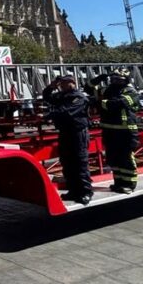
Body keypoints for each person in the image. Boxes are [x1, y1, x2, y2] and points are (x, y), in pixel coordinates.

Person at [87, 68, 141, 193]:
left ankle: (129, 185)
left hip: (126, 131)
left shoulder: (130, 91)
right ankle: (119, 183)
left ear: (126, 80)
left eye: (119, 79)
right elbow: (88, 88)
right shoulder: (106, 90)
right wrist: (98, 79)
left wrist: (100, 102)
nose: (116, 81)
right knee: (113, 158)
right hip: (109, 130)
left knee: (126, 158)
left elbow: (117, 104)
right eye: (114, 79)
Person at [43, 75, 93, 205]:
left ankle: (85, 192)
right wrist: (50, 87)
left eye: (64, 83)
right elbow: (47, 97)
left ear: (72, 83)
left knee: (80, 163)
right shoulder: (62, 96)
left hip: (78, 133)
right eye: (61, 84)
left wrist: (48, 115)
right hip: (65, 132)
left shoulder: (79, 97)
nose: (62, 86)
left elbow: (67, 111)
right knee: (67, 162)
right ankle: (73, 190)